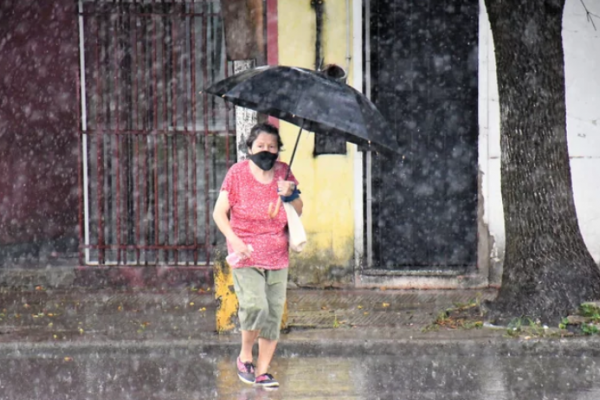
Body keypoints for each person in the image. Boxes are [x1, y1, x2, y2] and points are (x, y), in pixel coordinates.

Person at [212, 122, 303, 389]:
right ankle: (244, 356)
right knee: (256, 306)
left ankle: (262, 371)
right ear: (249, 147)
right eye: (261, 145)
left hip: (277, 252)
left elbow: (298, 210)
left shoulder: (284, 172)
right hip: (245, 252)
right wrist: (234, 240)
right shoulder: (237, 173)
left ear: (278, 151)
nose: (266, 150)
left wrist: (292, 193)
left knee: (273, 314)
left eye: (272, 147)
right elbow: (219, 213)